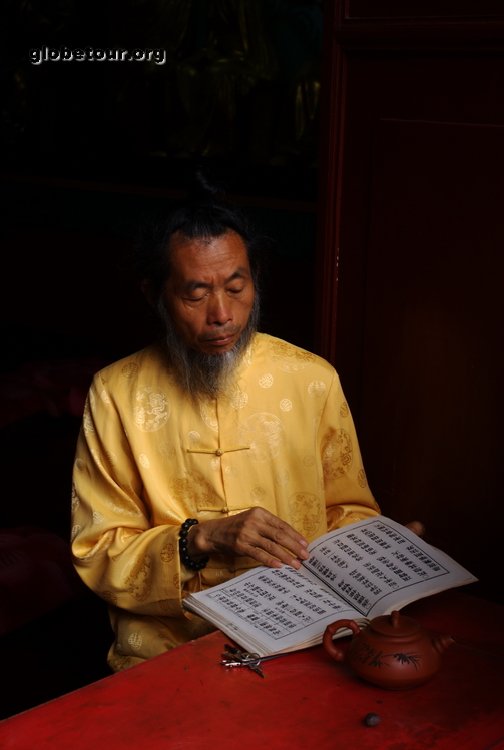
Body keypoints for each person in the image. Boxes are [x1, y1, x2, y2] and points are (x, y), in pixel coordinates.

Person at [70, 175, 420, 672]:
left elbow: (349, 513)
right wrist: (201, 539)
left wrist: (379, 558)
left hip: (307, 642)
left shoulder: (311, 380)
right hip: (166, 653)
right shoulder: (116, 394)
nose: (222, 314)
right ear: (155, 294)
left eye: (237, 288)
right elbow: (98, 550)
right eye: (195, 295)